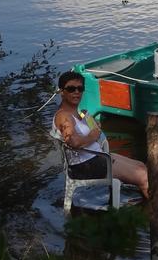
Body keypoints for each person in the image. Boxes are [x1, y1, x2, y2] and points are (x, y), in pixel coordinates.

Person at [53, 70, 149, 198]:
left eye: (80, 88)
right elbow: (74, 142)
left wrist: (92, 125)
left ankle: (151, 198)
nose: (76, 92)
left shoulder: (77, 112)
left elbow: (86, 133)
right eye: (71, 89)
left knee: (141, 166)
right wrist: (94, 134)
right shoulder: (64, 116)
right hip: (86, 166)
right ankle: (155, 211)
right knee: (143, 176)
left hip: (96, 157)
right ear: (61, 92)